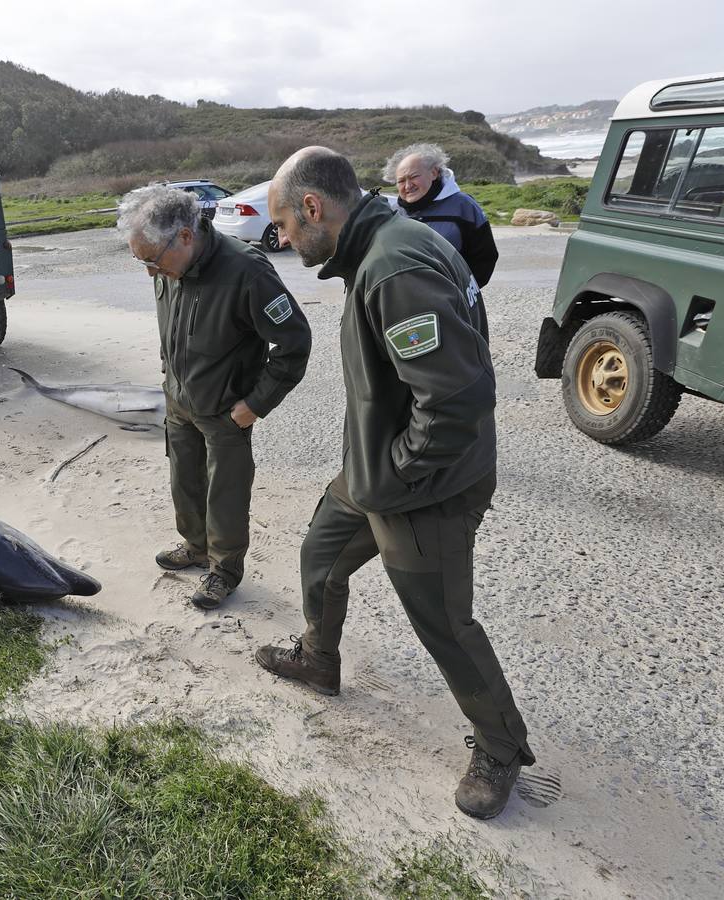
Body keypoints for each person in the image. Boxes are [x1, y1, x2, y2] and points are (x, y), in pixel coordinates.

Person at [258, 147, 534, 819]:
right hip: (380, 469)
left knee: (443, 621)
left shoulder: (394, 263)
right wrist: (376, 471)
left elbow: (457, 402)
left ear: (313, 208)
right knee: (322, 552)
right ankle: (319, 661)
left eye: (286, 226)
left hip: (425, 484)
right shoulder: (378, 249)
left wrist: (398, 475)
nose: (283, 240)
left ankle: (501, 747)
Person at [117, 185, 311, 610]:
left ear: (185, 236)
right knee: (184, 482)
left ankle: (223, 571)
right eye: (140, 261)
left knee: (225, 494)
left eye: (152, 259)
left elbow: (294, 344)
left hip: (226, 409)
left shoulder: (247, 272)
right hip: (179, 399)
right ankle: (196, 545)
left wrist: (256, 403)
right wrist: (170, 373)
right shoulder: (169, 265)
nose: (150, 271)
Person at [385, 143, 499, 287]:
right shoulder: (392, 213)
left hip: (453, 298)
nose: (408, 186)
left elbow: (485, 256)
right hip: (405, 300)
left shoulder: (463, 206)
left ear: (434, 173)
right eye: (401, 181)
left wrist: (462, 290)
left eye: (413, 177)